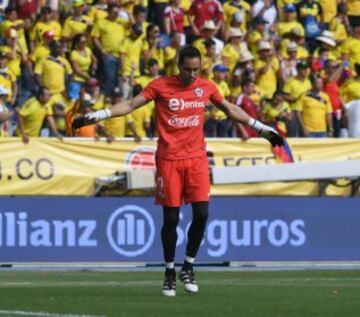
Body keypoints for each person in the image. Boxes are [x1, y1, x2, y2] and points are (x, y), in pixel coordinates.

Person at [72, 46, 284, 297]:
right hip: (169, 160)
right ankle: (169, 271)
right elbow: (130, 104)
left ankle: (189, 266)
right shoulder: (161, 85)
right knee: (171, 219)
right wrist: (96, 116)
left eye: (197, 69)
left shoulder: (205, 87)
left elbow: (230, 109)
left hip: (196, 159)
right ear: (178, 65)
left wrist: (261, 129)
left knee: (202, 214)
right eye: (187, 69)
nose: (192, 74)